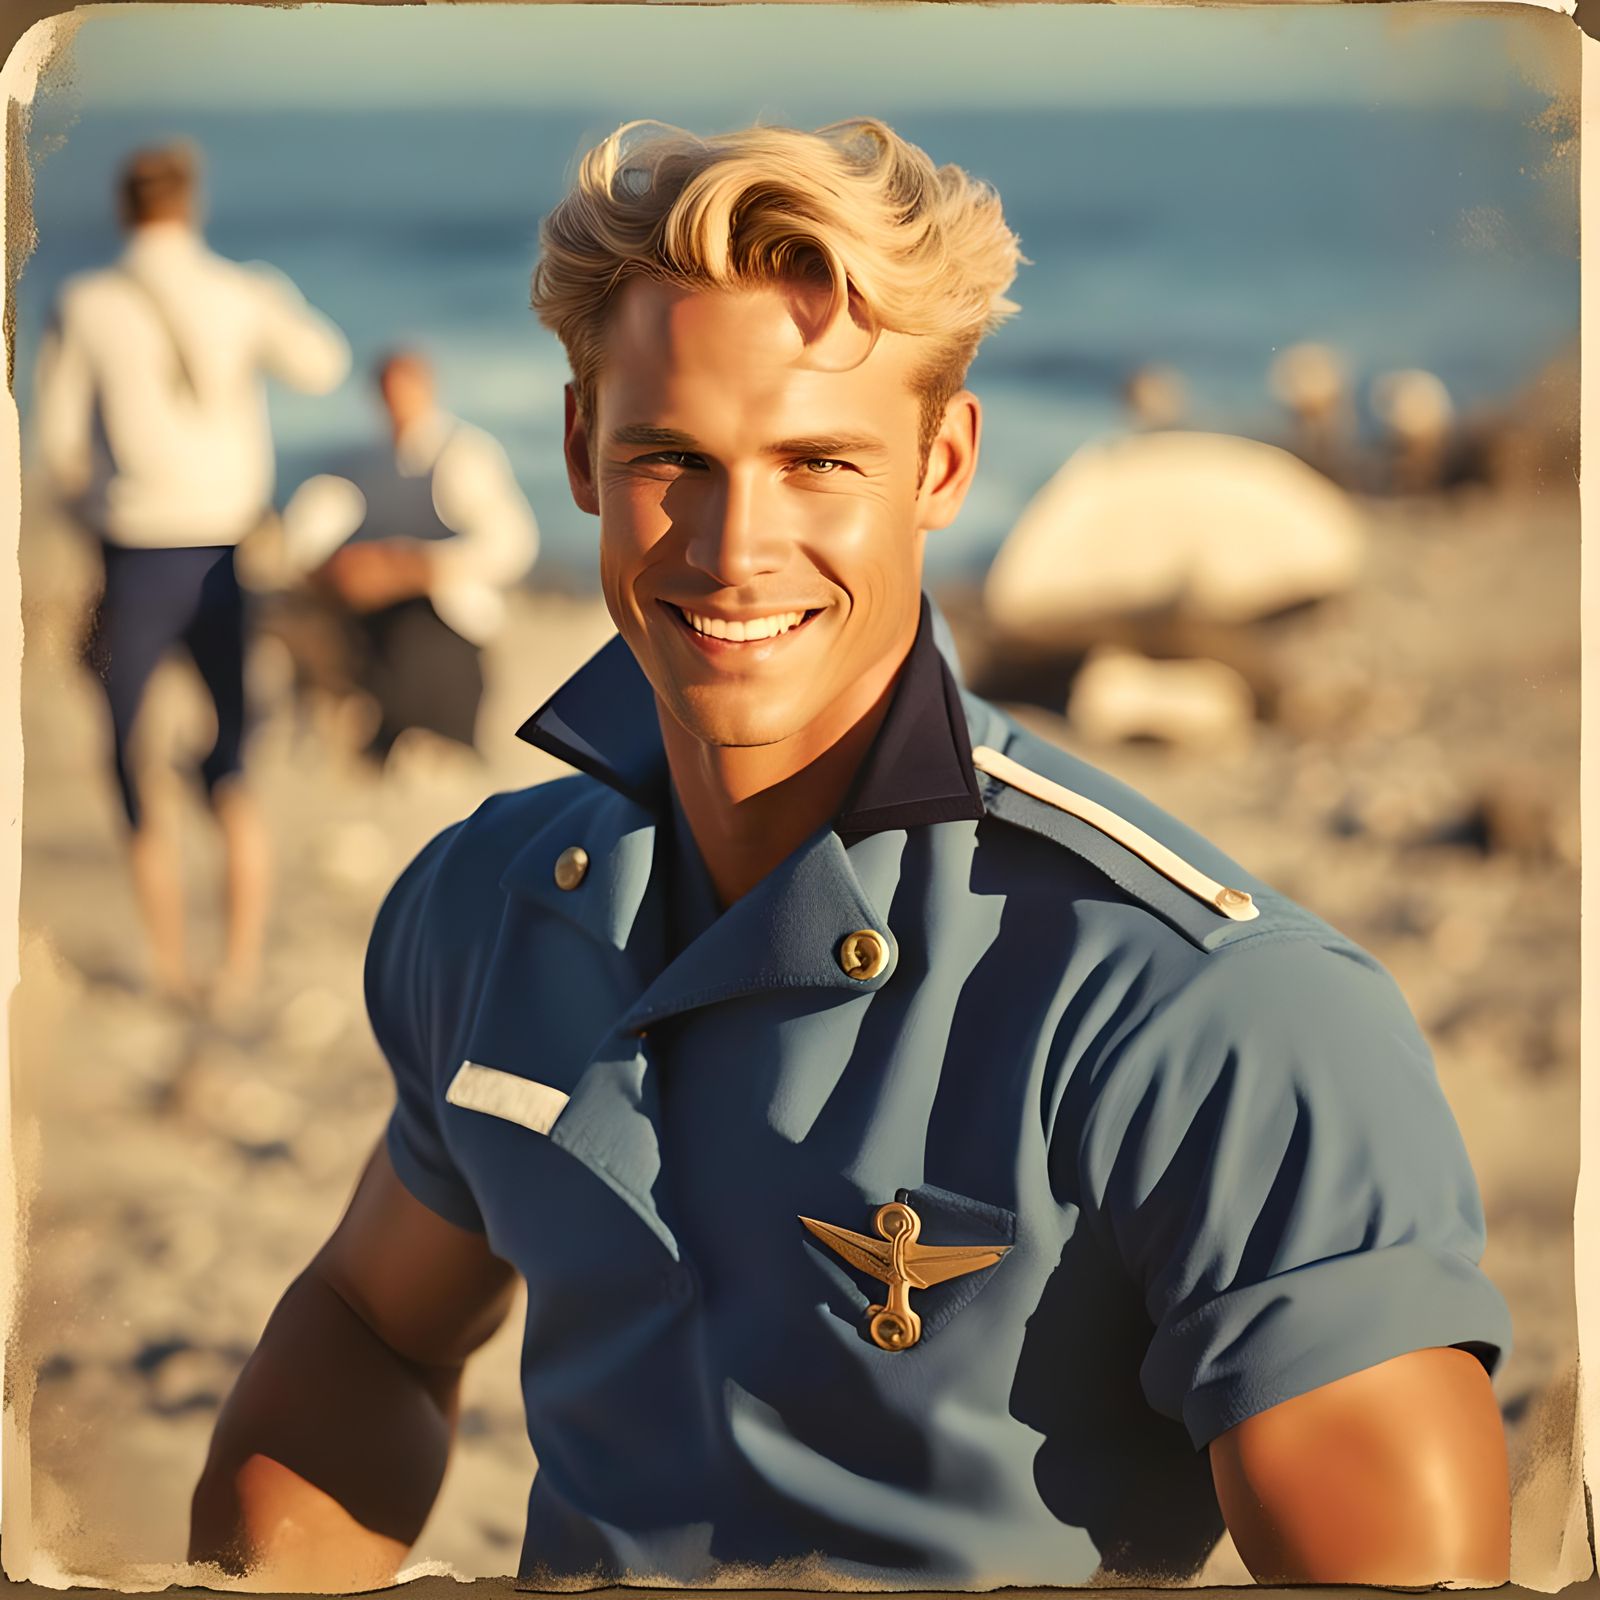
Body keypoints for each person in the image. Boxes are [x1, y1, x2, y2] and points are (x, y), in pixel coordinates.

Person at [189, 117, 1512, 1590]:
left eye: (820, 460)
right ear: (578, 448)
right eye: (671, 457)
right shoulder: (484, 904)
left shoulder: (1215, 1008)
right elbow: (373, 1326)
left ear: (942, 462)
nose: (736, 545)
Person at [31, 141, 351, 1008]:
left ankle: (170, 965)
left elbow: (56, 446)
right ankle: (238, 965)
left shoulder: (86, 300)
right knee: (231, 759)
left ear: (123, 206)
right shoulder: (240, 291)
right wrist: (261, 306)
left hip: (132, 560)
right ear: (190, 203)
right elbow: (325, 365)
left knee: (130, 756)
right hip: (225, 559)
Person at [274, 349, 539, 765]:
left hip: (446, 620)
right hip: (382, 621)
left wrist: (410, 567)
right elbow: (326, 514)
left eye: (405, 390)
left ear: (427, 389)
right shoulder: (373, 460)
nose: (397, 403)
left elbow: (512, 545)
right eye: (388, 393)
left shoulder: (462, 455)